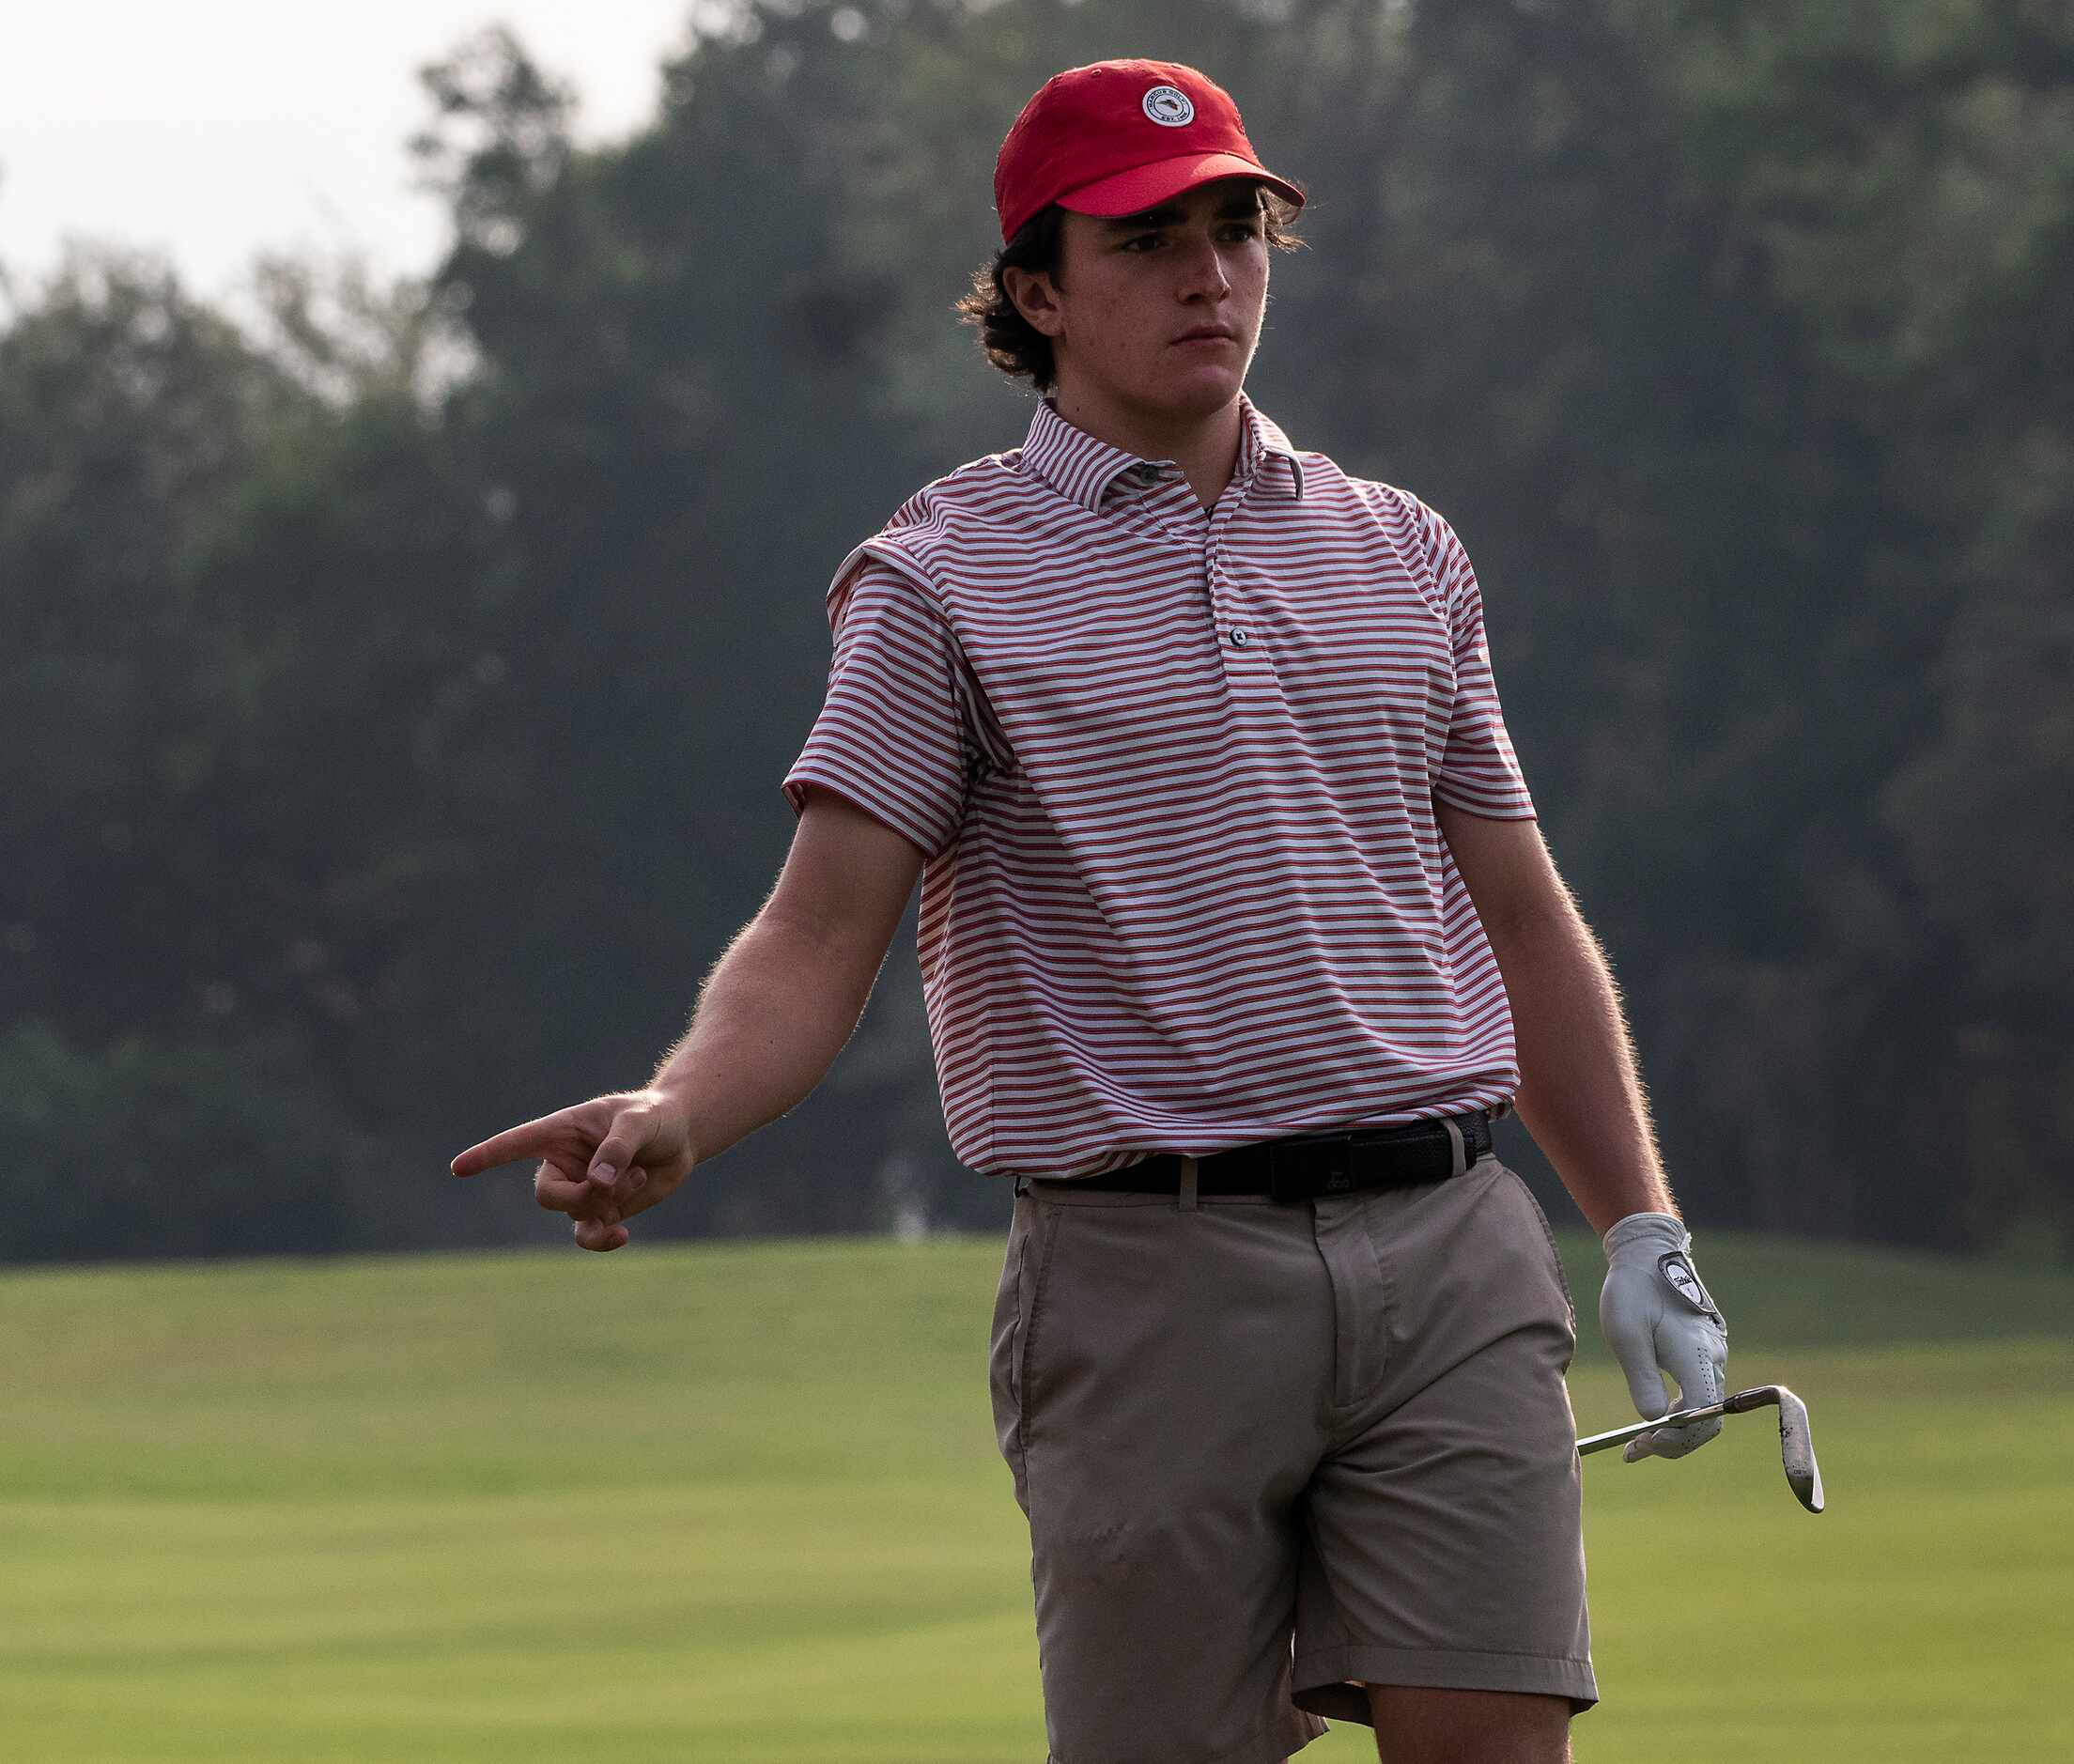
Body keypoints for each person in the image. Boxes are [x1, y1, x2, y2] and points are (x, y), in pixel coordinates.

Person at [450, 56, 1730, 1764]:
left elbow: (1521, 914)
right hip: (1147, 1279)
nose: (1207, 273)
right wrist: (685, 1104)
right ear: (1037, 294)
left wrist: (1638, 1224)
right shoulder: (940, 577)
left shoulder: (1401, 550)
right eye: (1142, 241)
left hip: (1449, 1249)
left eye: (1234, 228)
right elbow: (820, 929)